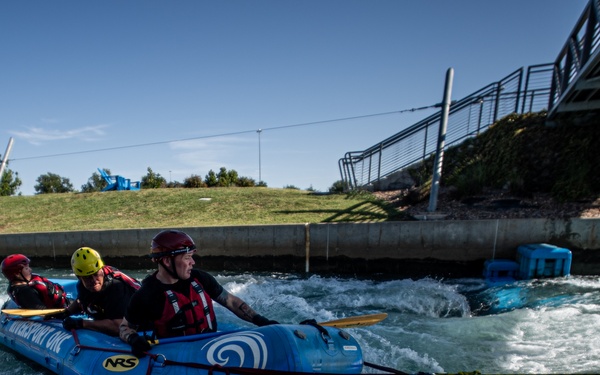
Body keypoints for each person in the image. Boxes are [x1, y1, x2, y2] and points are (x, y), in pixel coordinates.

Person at [119, 229, 278, 357]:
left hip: (210, 347)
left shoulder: (200, 278)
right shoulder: (147, 294)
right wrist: (133, 339)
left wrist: (261, 321)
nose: (192, 262)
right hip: (177, 357)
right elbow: (125, 327)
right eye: (187, 257)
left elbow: (231, 302)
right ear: (167, 261)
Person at [62, 247, 140, 336]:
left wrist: (82, 323)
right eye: (87, 277)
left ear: (102, 270)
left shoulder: (116, 287)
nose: (94, 280)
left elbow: (120, 326)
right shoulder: (81, 285)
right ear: (79, 277)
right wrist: (66, 313)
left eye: (96, 274)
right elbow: (81, 300)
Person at [1, 254, 69, 309]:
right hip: (63, 306)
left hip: (63, 303)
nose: (30, 270)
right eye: (26, 268)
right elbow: (42, 310)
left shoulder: (12, 287)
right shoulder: (25, 291)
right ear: (17, 274)